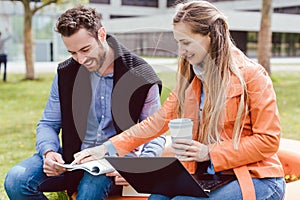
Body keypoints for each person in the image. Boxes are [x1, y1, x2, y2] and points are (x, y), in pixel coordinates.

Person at [70, 1, 286, 200]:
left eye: (186, 42)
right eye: (178, 43)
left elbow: (268, 140)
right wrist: (106, 148)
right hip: (210, 176)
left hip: (257, 176)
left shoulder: (253, 76)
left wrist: (209, 152)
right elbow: (157, 121)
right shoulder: (192, 80)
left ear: (211, 36)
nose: (181, 51)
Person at [4, 5, 165, 200]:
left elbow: (154, 132)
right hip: (73, 157)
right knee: (16, 180)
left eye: (85, 49)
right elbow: (48, 123)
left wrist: (138, 168)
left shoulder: (141, 76)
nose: (80, 60)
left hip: (113, 163)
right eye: (72, 53)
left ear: (102, 35)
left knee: (90, 191)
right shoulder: (66, 73)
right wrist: (48, 152)